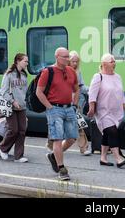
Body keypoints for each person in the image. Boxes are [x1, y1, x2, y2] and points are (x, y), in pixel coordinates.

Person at [36, 47, 79, 181]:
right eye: (65, 57)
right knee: (57, 138)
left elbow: (77, 89)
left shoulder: (71, 71)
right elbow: (39, 92)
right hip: (55, 108)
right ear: (57, 57)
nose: (68, 59)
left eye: (68, 57)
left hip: (69, 108)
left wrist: (75, 105)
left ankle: (53, 156)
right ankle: (62, 169)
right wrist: (50, 107)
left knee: (72, 137)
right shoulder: (47, 72)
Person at [87, 53, 125, 168]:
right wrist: (92, 108)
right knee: (112, 132)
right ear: (104, 64)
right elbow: (92, 94)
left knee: (107, 134)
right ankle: (118, 158)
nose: (114, 63)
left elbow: (121, 95)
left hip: (116, 111)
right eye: (111, 61)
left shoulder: (117, 77)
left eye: (114, 61)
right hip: (103, 111)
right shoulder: (98, 77)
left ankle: (103, 158)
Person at [0, 53, 29, 163]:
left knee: (22, 131)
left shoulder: (25, 75)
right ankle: (3, 147)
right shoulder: (9, 74)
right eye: (25, 61)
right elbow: (4, 91)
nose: (27, 63)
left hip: (22, 106)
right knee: (13, 130)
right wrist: (13, 101)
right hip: (11, 106)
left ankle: (18, 156)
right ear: (18, 61)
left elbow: (24, 91)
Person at [68, 51, 92, 155]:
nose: (75, 64)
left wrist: (91, 90)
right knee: (59, 127)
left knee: (79, 125)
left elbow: (81, 86)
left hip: (75, 104)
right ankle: (52, 146)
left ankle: (84, 148)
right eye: (73, 61)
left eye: (77, 61)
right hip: (63, 103)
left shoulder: (78, 72)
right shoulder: (62, 71)